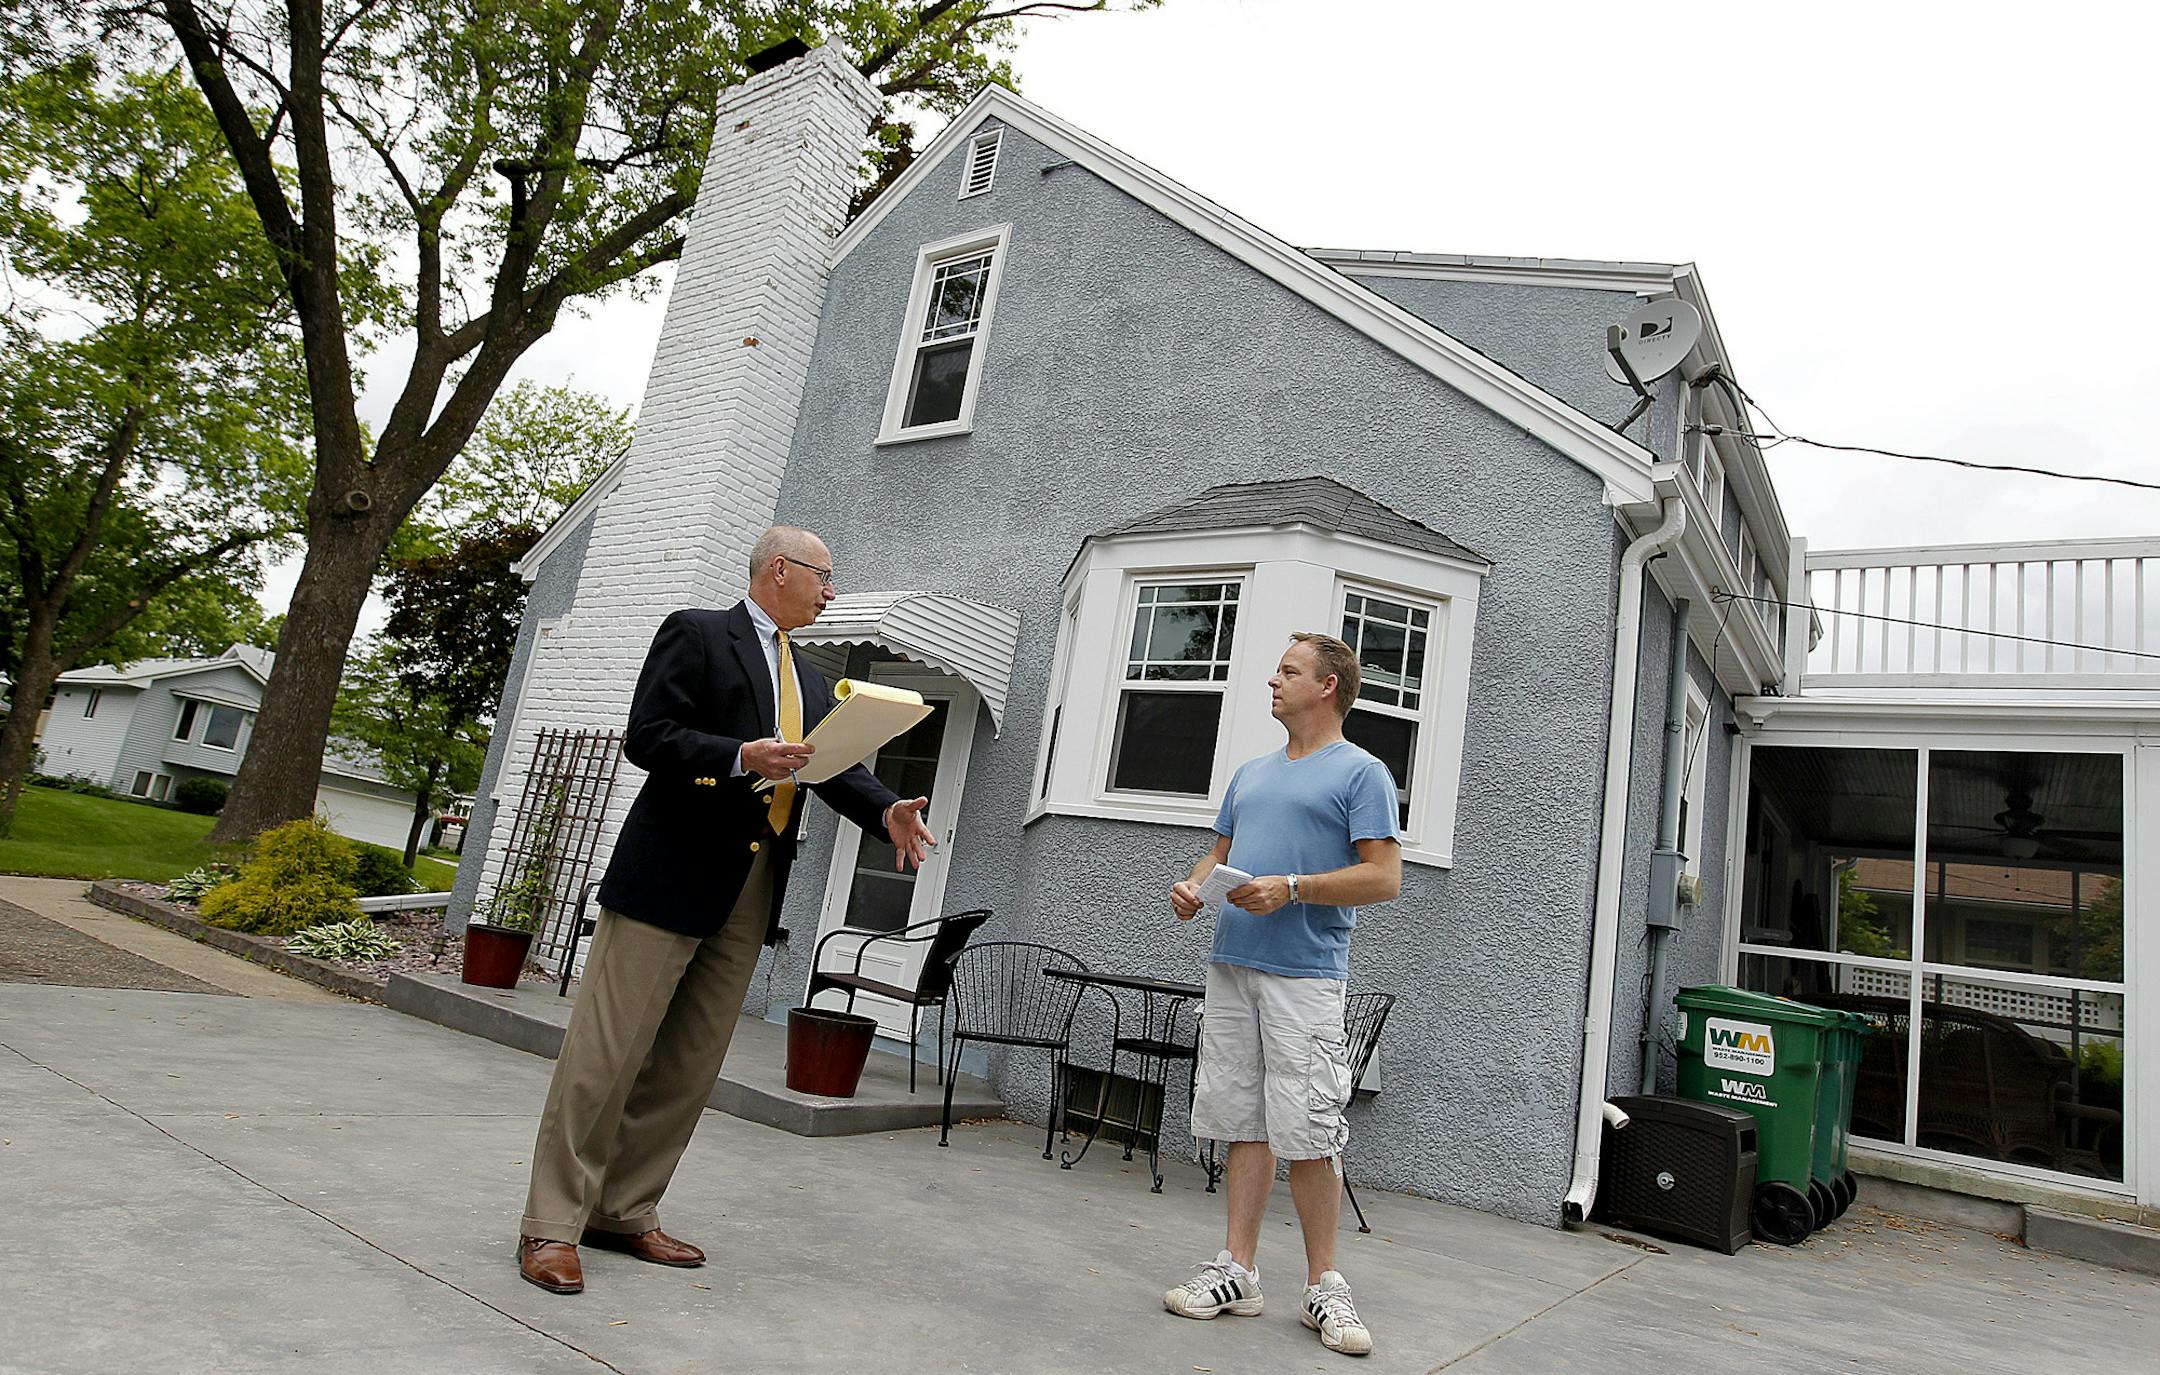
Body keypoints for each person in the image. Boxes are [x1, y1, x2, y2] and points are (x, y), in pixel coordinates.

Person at [516, 526, 937, 1295]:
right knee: (604, 1059)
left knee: (689, 1064)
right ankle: (550, 1223)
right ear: (781, 569)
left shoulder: (811, 678)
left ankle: (623, 1209)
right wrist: (738, 755)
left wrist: (885, 813)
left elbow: (832, 768)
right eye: (824, 576)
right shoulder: (699, 633)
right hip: (667, 876)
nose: (831, 592)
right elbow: (649, 736)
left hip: (751, 886)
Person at [1163, 632, 1402, 1357]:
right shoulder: (1252, 773)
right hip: (1233, 964)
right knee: (1245, 1121)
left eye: (1289, 670)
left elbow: (1385, 877)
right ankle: (1238, 1269)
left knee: (1309, 1131)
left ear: (1327, 685)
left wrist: (1294, 888)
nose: (1273, 679)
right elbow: (1223, 853)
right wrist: (1195, 886)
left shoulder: (1361, 773)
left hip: (1306, 977)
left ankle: (1325, 1283)